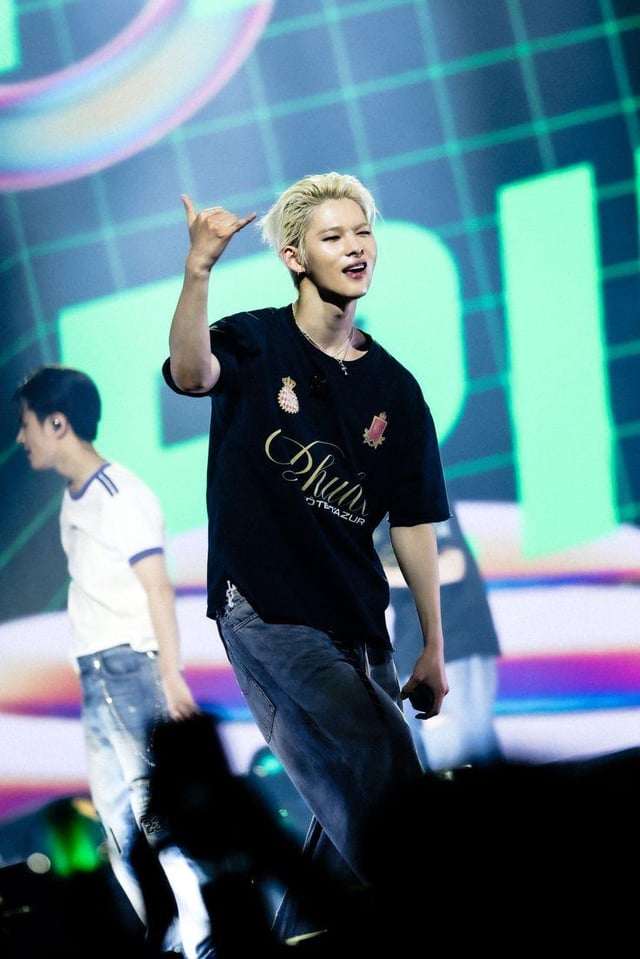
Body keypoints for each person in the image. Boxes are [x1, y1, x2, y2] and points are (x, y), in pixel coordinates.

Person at [162, 171, 451, 941]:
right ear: (295, 256)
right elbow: (190, 373)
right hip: (265, 608)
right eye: (333, 236)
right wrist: (199, 269)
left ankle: (290, 935)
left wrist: (433, 644)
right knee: (379, 757)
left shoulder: (396, 388)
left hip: (356, 620)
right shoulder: (253, 341)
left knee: (350, 802)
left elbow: (414, 520)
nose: (356, 247)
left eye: (362, 232)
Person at [14, 365, 215, 959]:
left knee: (157, 818)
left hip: (129, 669)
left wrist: (170, 674)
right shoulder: (72, 501)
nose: (21, 438)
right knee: (119, 825)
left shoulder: (119, 495)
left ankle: (204, 940)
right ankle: (171, 940)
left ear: (58, 423)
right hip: (96, 675)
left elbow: (158, 587)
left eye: (27, 425)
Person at [378, 502, 504, 771]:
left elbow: (453, 566)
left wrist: (375, 574)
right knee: (428, 756)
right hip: (412, 650)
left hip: (454, 644)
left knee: (456, 755)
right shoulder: (365, 513)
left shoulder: (418, 496)